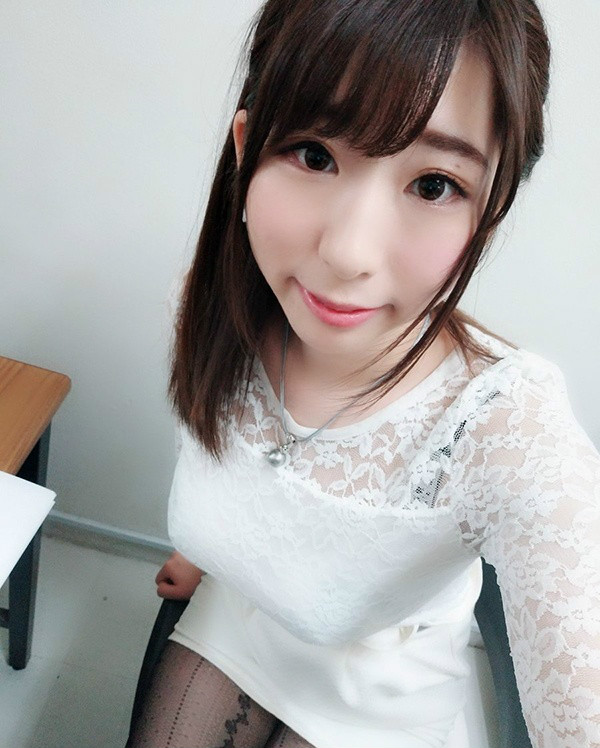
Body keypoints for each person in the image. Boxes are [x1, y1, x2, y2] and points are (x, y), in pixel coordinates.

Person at [129, 1, 600, 747]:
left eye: (434, 184)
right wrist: (202, 551)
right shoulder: (207, 310)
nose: (349, 253)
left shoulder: (505, 425)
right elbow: (232, 466)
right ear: (246, 148)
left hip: (388, 677)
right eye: (314, 155)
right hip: (242, 609)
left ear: (491, 207)